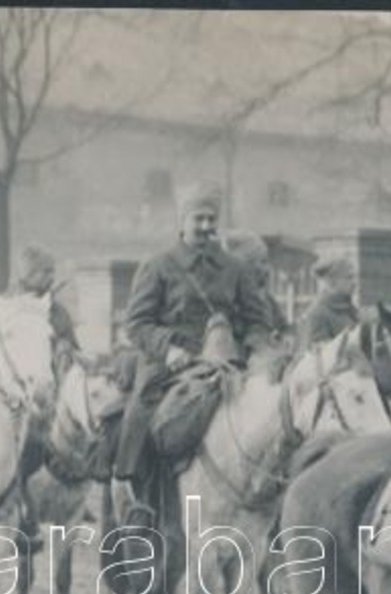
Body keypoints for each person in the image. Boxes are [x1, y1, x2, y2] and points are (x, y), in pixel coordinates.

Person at [111, 181, 278, 519]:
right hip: (171, 363)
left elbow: (257, 321)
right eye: (198, 218)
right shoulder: (158, 265)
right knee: (140, 415)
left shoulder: (236, 269)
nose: (205, 226)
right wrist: (169, 350)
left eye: (211, 219)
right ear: (182, 220)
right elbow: (137, 323)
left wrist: (259, 352)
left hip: (228, 362)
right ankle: (133, 492)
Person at [222, 229, 292, 341]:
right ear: (244, 267)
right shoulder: (228, 300)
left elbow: (285, 329)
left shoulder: (267, 300)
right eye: (262, 262)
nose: (267, 269)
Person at [14, 244, 79, 361]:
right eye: (46, 272)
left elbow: (74, 349)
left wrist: (66, 346)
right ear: (28, 274)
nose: (52, 278)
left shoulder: (59, 312)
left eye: (52, 272)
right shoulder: (9, 308)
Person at [298, 253, 360, 352]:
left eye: (354, 277)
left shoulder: (350, 309)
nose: (354, 282)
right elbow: (321, 359)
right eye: (349, 277)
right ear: (332, 281)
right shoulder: (318, 314)